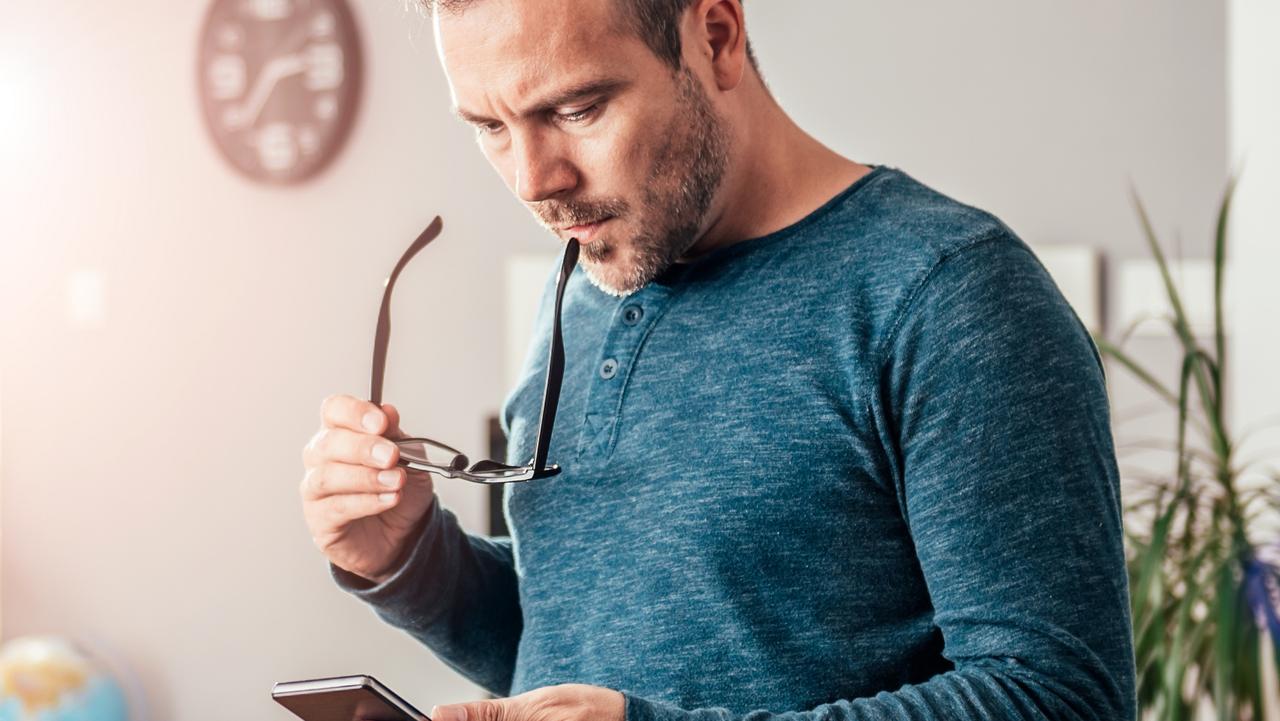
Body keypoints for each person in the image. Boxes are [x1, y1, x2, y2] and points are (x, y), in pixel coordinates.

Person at [298, 1, 1136, 719]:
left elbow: (1058, 695)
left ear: (718, 35)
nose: (534, 180)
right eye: (489, 126)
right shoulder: (592, 281)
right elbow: (583, 636)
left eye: (577, 109)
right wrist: (408, 559)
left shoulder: (949, 294)